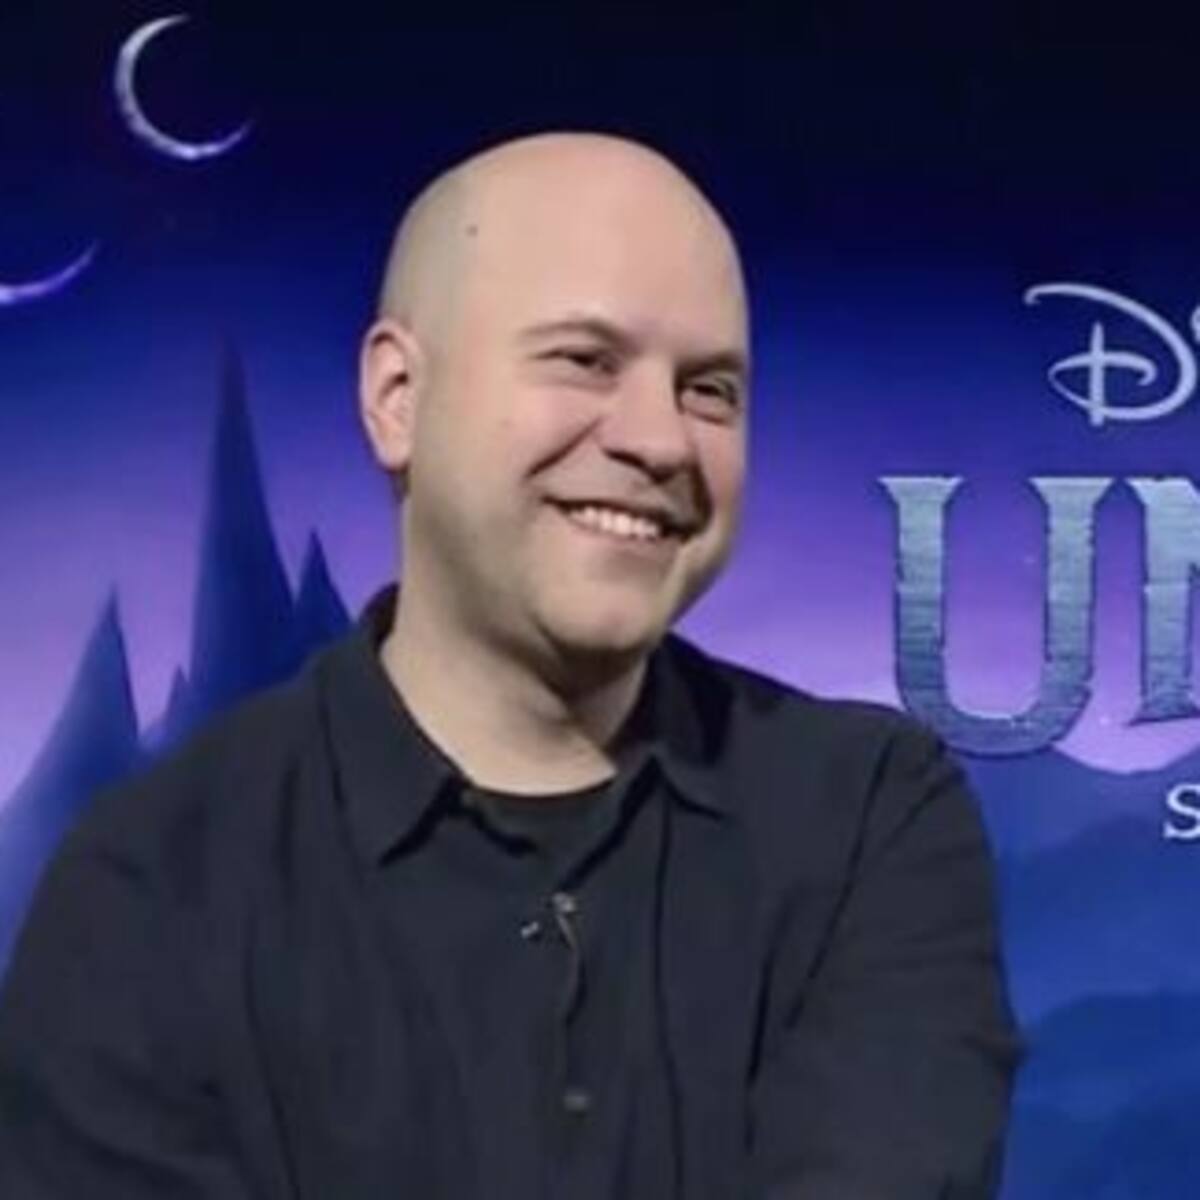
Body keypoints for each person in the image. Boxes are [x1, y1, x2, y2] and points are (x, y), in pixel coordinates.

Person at [0, 131, 1020, 1198]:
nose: (662, 440)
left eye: (710, 390)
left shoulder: (868, 820)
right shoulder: (155, 884)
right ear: (398, 397)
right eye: (585, 360)